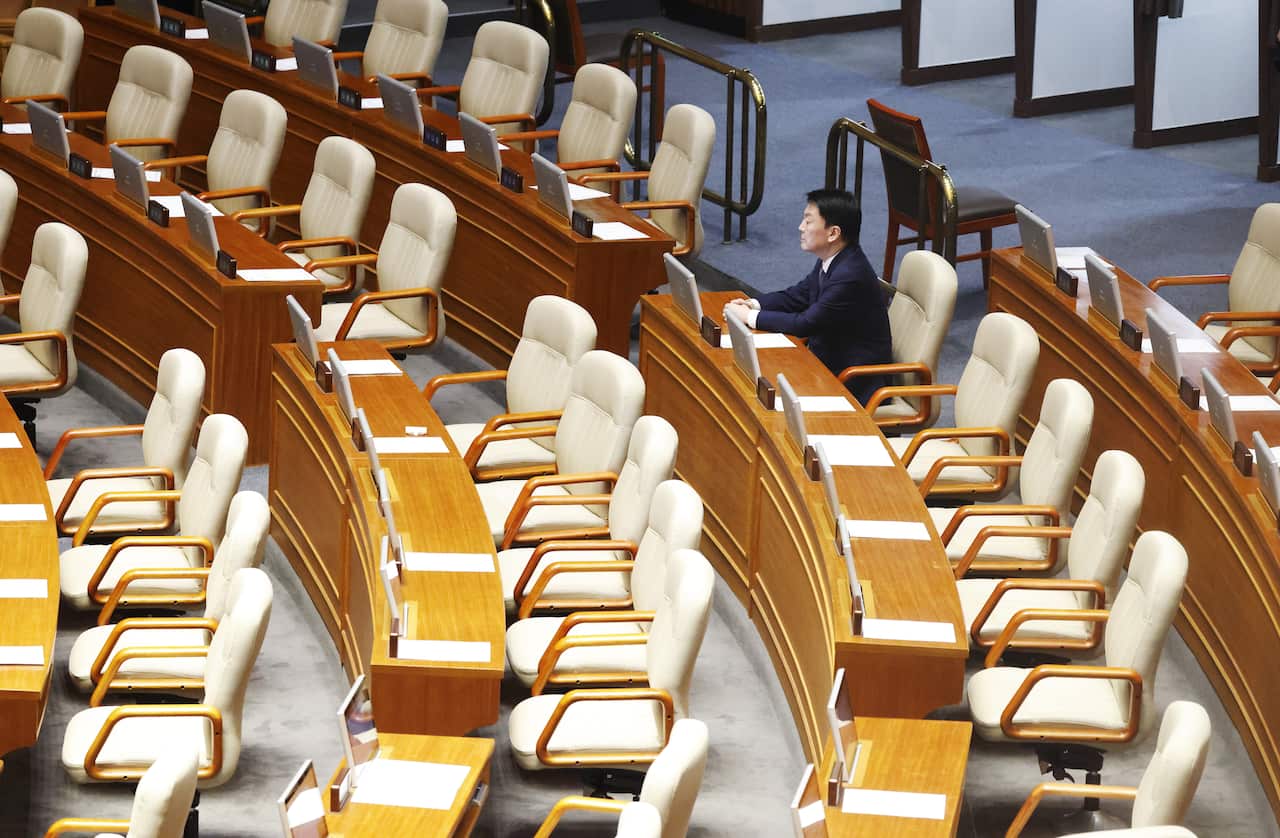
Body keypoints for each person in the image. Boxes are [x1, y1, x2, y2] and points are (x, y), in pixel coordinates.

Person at [724, 189, 892, 404]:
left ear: (833, 233)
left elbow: (806, 323)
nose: (800, 227)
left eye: (808, 222)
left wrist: (748, 317)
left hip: (854, 382)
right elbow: (799, 295)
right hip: (826, 363)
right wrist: (753, 304)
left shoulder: (850, 275)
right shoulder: (835, 258)